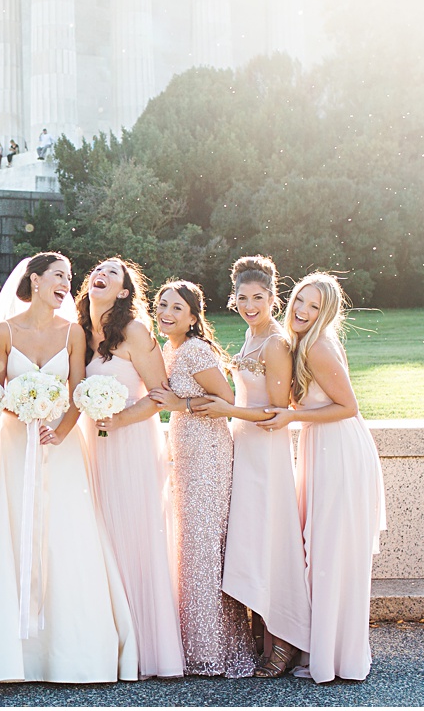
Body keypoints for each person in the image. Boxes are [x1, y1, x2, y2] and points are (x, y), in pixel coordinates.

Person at [0, 253, 137, 685]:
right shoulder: (3, 331)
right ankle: (11, 655)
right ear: (36, 280)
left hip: (60, 449)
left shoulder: (73, 333)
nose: (67, 283)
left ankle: (73, 653)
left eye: (69, 277)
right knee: (12, 532)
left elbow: (77, 390)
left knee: (67, 535)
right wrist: (5, 410)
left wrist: (60, 431)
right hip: (13, 445)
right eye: (58, 276)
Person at [190, 256, 309, 678]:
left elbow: (277, 411)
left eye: (258, 297)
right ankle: (262, 630)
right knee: (250, 539)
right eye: (242, 298)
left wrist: (227, 409)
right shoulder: (249, 335)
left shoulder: (275, 343)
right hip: (244, 448)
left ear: (274, 298)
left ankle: (286, 638)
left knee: (270, 539)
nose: (250, 304)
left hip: (267, 452)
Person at [266, 272, 386, 683]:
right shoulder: (301, 342)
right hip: (324, 448)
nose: (301, 310)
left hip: (340, 452)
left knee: (330, 553)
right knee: (320, 550)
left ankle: (334, 658)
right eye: (300, 299)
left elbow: (348, 406)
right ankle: (323, 650)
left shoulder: (316, 346)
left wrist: (294, 415)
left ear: (326, 313)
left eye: (314, 306)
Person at [75, 258, 185, 680]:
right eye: (98, 269)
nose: (101, 273)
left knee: (135, 534)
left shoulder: (136, 331)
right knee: (102, 535)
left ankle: (147, 645)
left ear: (123, 292)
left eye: (113, 273)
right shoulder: (82, 333)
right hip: (94, 447)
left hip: (133, 443)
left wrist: (120, 417)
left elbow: (162, 393)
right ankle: (109, 639)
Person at [155, 280, 257, 678]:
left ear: (193, 317)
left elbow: (228, 400)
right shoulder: (170, 348)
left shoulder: (195, 350)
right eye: (162, 304)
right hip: (187, 451)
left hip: (209, 456)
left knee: (202, 546)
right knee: (192, 546)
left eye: (177, 307)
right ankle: (198, 640)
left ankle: (213, 649)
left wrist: (181, 404)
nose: (167, 312)